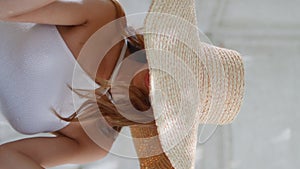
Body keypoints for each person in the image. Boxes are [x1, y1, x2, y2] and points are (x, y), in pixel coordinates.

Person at [0, 0, 155, 168]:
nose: (162, 84)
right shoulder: (105, 20)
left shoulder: (95, 142)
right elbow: (4, 8)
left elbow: (7, 158)